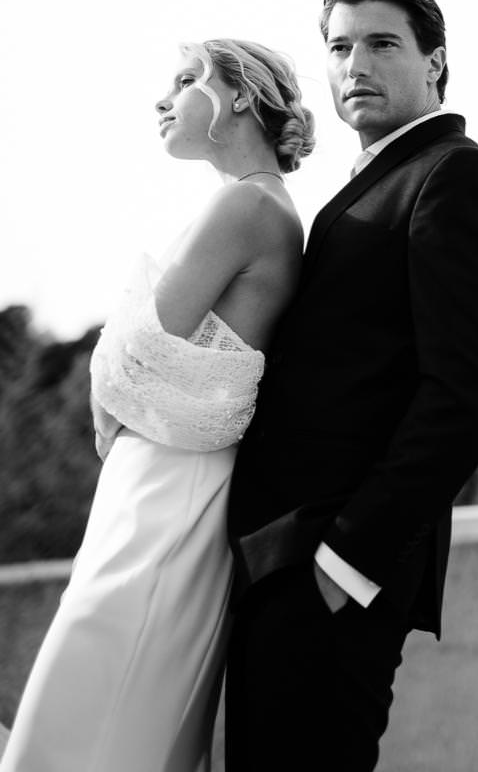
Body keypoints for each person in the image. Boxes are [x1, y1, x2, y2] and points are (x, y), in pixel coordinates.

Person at [226, 0, 478, 771]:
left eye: (382, 43)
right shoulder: (366, 187)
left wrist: (345, 562)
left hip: (334, 572)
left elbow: (466, 394)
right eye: (340, 46)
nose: (355, 65)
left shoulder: (456, 177)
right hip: (280, 561)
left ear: (434, 62)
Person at [0, 39, 313, 772]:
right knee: (115, 699)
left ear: (239, 95)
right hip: (163, 478)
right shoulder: (257, 205)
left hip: (169, 489)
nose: (162, 99)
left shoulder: (247, 203)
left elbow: (132, 362)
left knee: (97, 690)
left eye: (185, 80)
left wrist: (115, 378)